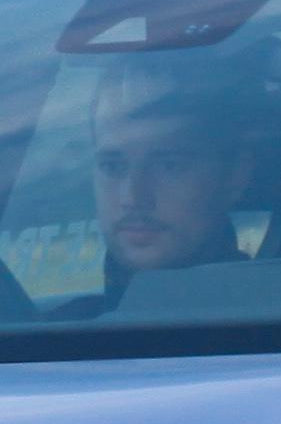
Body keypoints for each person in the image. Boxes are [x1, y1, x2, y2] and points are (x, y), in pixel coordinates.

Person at [87, 74, 255, 286]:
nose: (132, 197)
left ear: (235, 176)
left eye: (169, 166)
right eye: (111, 167)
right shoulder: (62, 311)